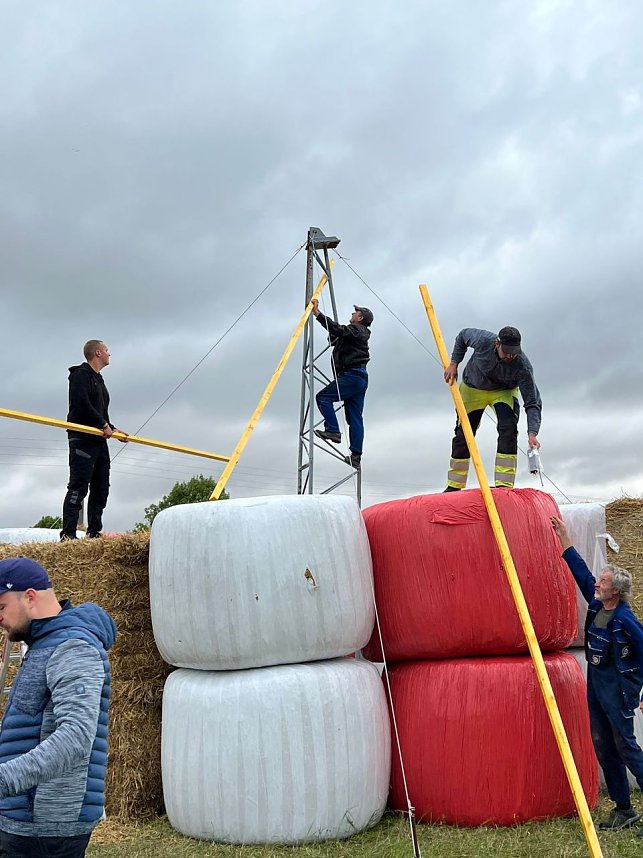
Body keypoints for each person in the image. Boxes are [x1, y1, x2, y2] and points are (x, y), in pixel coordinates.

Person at [0, 556, 117, 856]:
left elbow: (76, 737)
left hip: (46, 825)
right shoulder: (44, 644)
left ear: (29, 597)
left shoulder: (72, 648)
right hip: (27, 818)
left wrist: (4, 779)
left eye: (2, 607)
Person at [551, 516, 643, 833]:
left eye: (602, 582)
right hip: (596, 683)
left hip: (617, 689)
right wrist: (564, 536)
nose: (597, 584)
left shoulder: (626, 620)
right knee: (603, 745)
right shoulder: (597, 605)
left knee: (626, 746)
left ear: (615, 591)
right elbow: (580, 572)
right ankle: (624, 809)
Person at [443, 326, 541, 491]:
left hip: (503, 392)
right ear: (497, 344)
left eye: (514, 352)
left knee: (508, 428)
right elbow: (462, 336)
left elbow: (532, 401)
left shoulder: (523, 366)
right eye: (506, 352)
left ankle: (504, 485)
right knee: (463, 434)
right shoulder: (482, 340)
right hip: (472, 388)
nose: (510, 356)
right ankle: (454, 486)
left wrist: (533, 433)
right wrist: (454, 363)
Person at [60, 340, 127, 541]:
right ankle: (69, 534)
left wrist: (112, 428)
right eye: (107, 350)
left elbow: (100, 411)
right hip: (82, 438)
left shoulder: (100, 380)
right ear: (97, 353)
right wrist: (103, 424)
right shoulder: (81, 375)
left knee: (101, 486)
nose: (109, 353)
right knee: (79, 485)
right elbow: (82, 405)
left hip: (99, 438)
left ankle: (94, 532)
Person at [311, 299, 373, 470]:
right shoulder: (356, 333)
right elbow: (335, 337)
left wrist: (317, 314)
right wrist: (335, 333)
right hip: (359, 377)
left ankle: (333, 430)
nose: (352, 313)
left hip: (352, 375)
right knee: (354, 417)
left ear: (360, 318)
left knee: (323, 397)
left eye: (356, 312)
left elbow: (338, 330)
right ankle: (356, 456)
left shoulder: (356, 329)